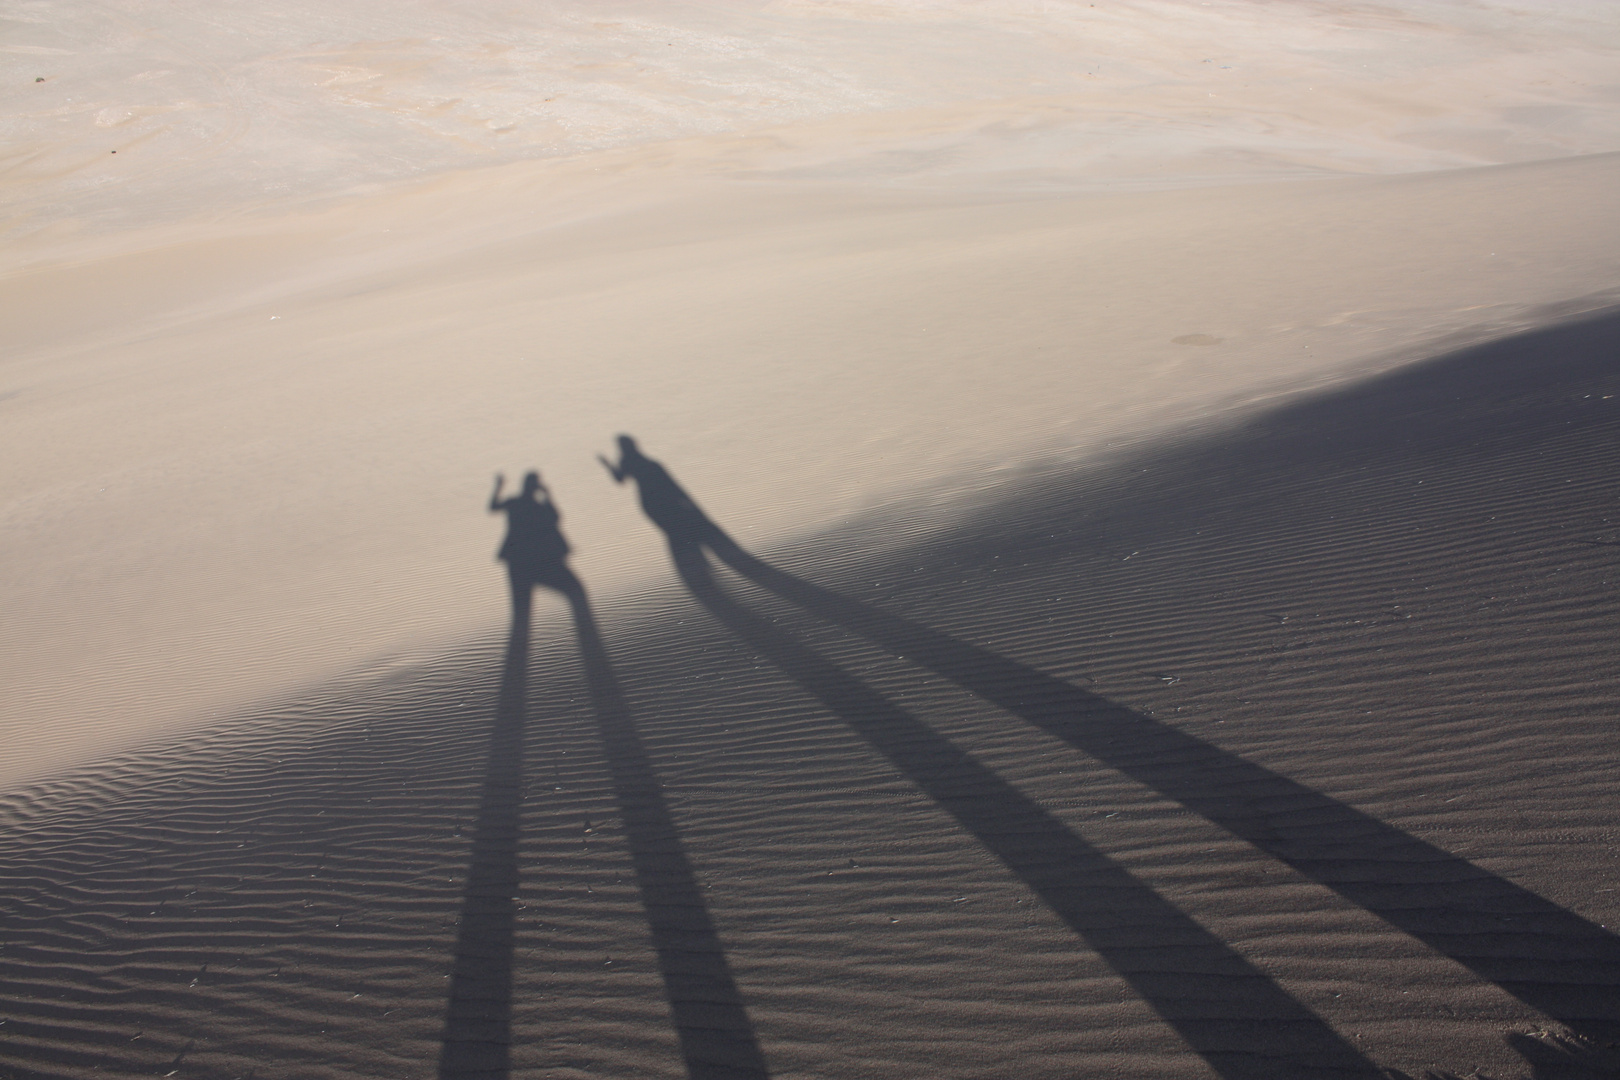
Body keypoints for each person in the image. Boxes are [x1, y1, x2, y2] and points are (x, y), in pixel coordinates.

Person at [489, 470, 580, 617]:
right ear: (536, 487)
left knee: (521, 612)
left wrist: (498, 486)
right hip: (532, 562)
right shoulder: (537, 507)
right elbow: (555, 518)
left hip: (517, 561)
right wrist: (548, 495)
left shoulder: (515, 502)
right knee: (575, 591)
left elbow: (493, 507)